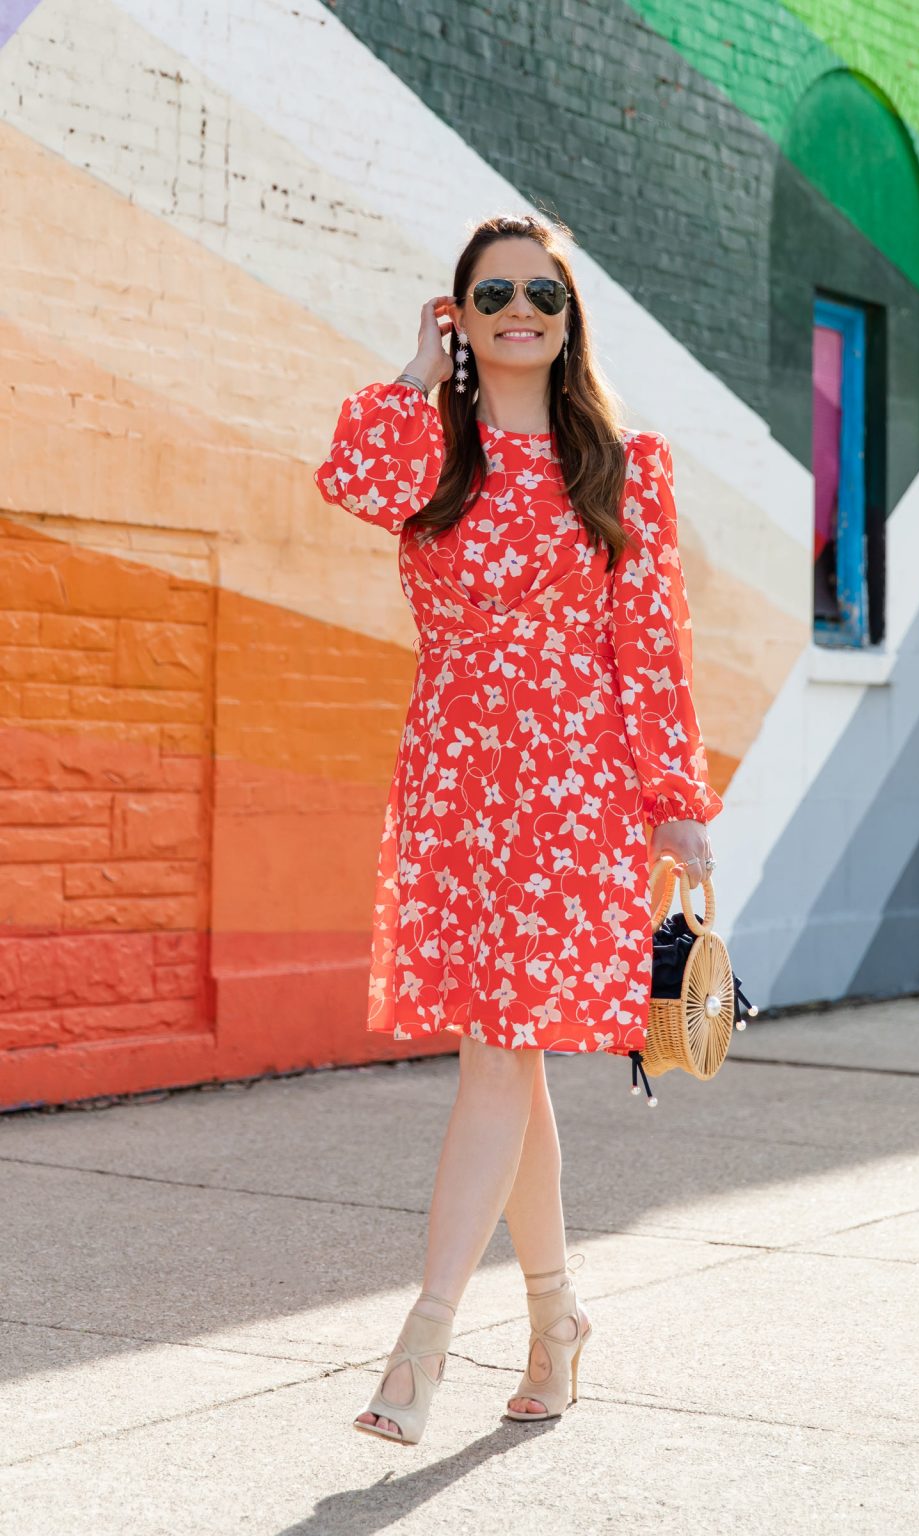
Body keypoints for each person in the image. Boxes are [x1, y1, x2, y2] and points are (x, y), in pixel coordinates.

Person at [314, 212, 723, 1445]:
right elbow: (346, 476)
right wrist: (407, 368)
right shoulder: (431, 452)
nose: (519, 309)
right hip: (454, 782)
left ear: (567, 315)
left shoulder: (620, 463)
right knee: (511, 1053)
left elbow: (648, 645)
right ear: (462, 312)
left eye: (542, 292)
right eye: (491, 292)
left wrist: (674, 804)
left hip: (572, 790)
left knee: (498, 1055)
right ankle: (556, 1322)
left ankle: (422, 1343)